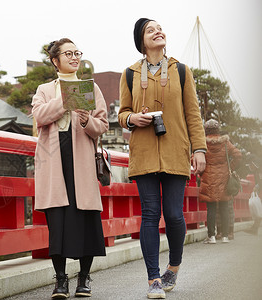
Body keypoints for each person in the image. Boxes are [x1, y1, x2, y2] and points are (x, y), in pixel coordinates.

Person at [118, 18, 206, 299]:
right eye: (150, 30)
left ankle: (174, 266)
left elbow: (193, 112)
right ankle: (153, 279)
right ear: (141, 41)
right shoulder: (129, 74)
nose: (158, 32)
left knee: (174, 215)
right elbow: (122, 113)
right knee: (150, 215)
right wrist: (133, 118)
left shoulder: (181, 71)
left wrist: (199, 149)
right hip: (143, 153)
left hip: (175, 151)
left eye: (160, 28)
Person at [32, 38, 108, 299]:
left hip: (81, 159)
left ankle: (84, 278)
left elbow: (102, 125)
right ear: (55, 60)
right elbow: (39, 116)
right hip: (54, 160)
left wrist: (88, 121)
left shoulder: (91, 88)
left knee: (85, 216)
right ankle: (61, 280)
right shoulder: (44, 89)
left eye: (77, 53)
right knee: (58, 218)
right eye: (68, 53)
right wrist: (66, 100)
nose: (75, 57)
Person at [199, 119, 242, 244]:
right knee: (224, 206)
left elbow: (194, 159)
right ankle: (225, 236)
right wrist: (230, 167)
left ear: (206, 130)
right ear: (218, 130)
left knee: (211, 208)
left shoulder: (203, 143)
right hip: (224, 177)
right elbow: (238, 155)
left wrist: (202, 171)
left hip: (208, 178)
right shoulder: (225, 143)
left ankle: (211, 236)